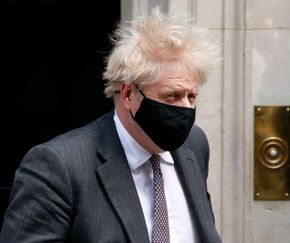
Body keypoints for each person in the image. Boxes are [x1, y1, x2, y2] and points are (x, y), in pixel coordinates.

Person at [0, 8, 222, 243]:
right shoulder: (59, 165)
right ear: (128, 94)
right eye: (172, 96)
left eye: (192, 96)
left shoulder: (194, 145)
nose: (186, 108)